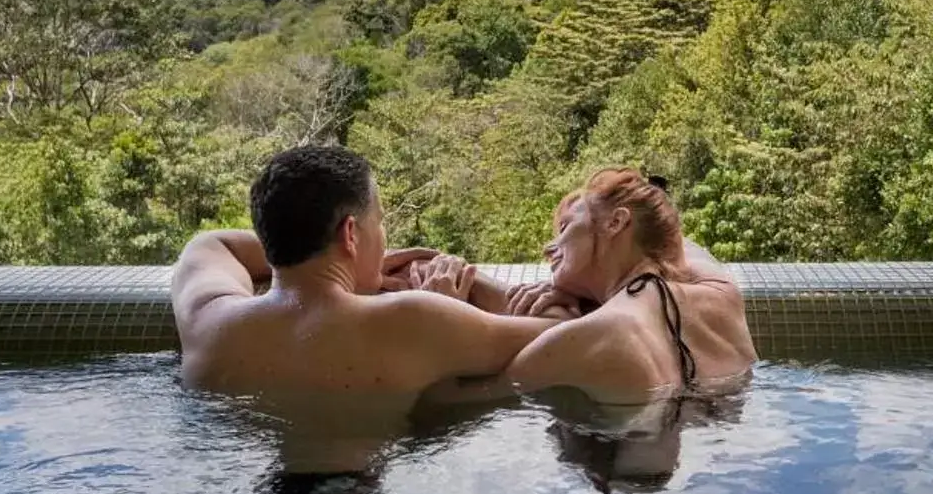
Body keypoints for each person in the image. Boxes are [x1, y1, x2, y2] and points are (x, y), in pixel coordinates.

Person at [171, 144, 559, 399]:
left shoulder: (210, 321)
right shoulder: (417, 322)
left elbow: (211, 244)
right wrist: (462, 306)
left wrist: (339, 261)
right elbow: (565, 334)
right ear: (351, 233)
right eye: (380, 221)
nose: (384, 236)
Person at [498, 168, 756, 404]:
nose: (548, 248)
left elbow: (485, 394)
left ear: (616, 223)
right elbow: (676, 240)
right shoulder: (721, 291)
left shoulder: (602, 332)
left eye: (565, 226)